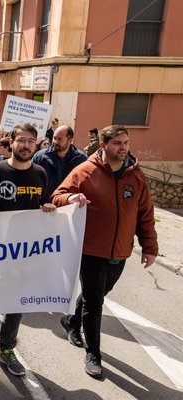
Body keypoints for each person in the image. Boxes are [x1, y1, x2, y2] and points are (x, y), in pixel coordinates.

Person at [52, 125, 158, 378]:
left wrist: (149, 247)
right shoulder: (85, 172)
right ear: (103, 146)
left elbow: (145, 215)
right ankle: (93, 354)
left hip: (120, 252)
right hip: (91, 250)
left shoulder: (136, 175)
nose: (123, 148)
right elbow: (58, 195)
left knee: (98, 294)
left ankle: (71, 321)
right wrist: (70, 199)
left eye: (126, 142)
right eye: (117, 143)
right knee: (94, 302)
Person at [0, 123, 57, 377]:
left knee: (17, 299)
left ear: (36, 144)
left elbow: (44, 202)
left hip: (26, 250)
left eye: (31, 141)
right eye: (21, 140)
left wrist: (48, 207)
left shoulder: (40, 173)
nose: (26, 145)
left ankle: (7, 349)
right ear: (11, 143)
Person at [32, 125, 87, 195]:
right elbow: (31, 180)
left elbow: (85, 184)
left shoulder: (81, 159)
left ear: (70, 141)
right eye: (54, 138)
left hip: (69, 203)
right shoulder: (40, 156)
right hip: (45, 204)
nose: (55, 142)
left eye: (60, 139)